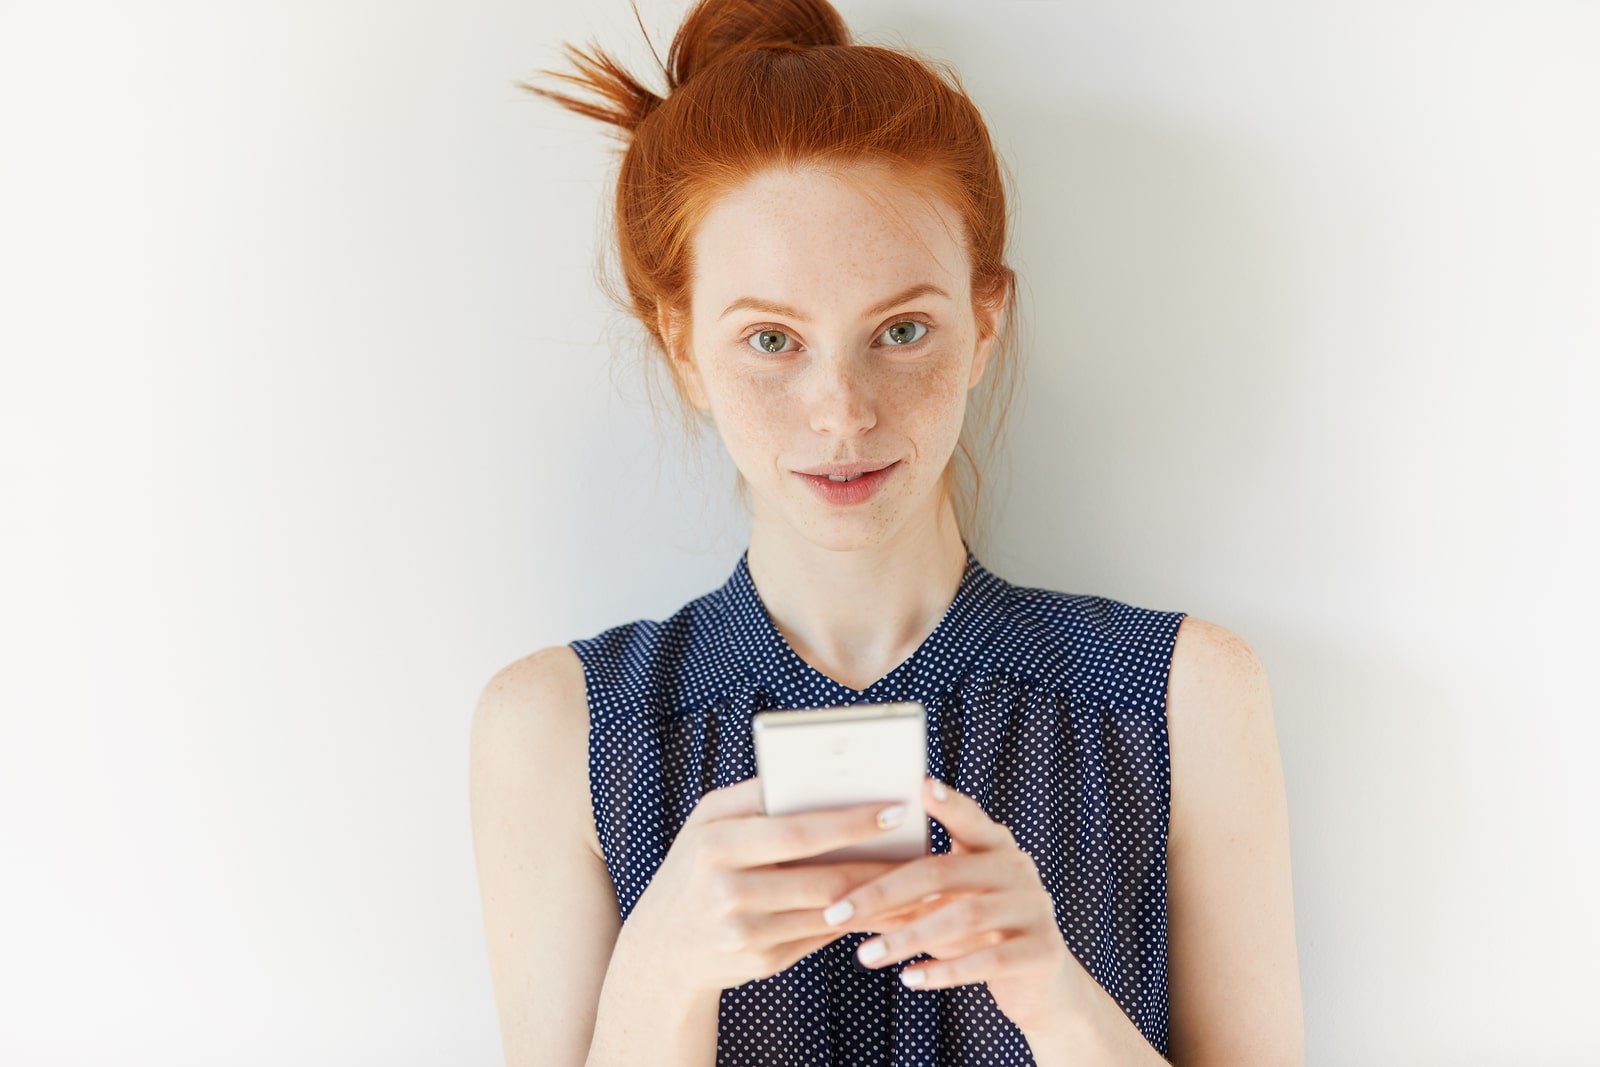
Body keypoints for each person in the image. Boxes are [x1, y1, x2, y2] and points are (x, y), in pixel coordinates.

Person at [469, 0, 1305, 1063]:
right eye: (771, 339)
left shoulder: (1186, 694)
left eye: (900, 330)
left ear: (983, 323)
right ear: (682, 349)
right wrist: (659, 974)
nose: (842, 410)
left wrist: (1056, 999)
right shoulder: (555, 730)